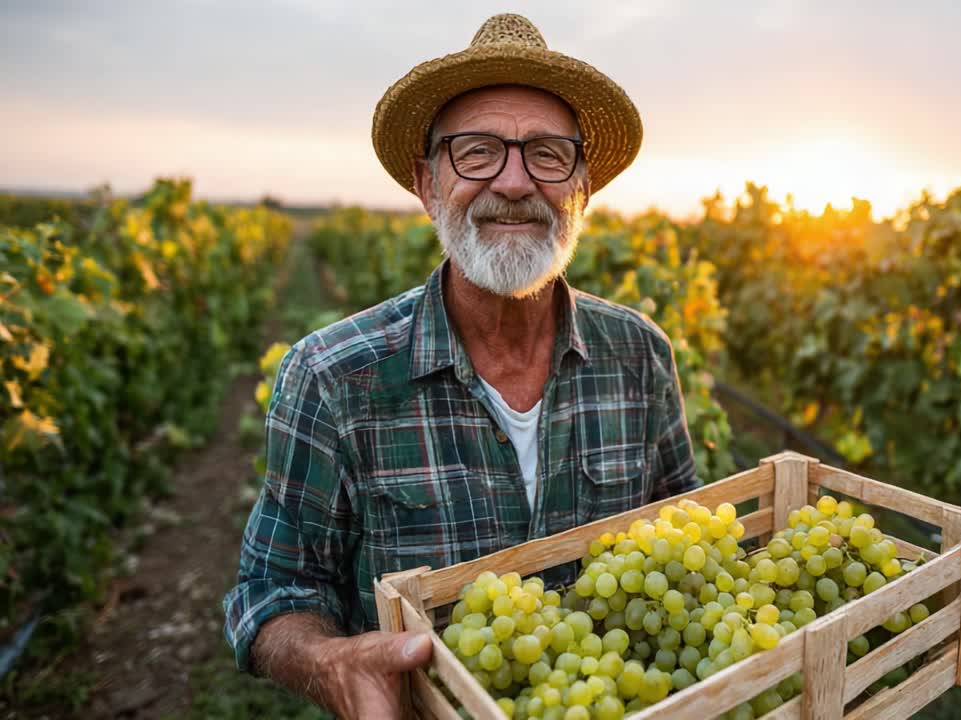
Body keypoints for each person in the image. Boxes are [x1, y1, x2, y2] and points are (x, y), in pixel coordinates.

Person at [222, 13, 699, 718]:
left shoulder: (640, 354)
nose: (513, 181)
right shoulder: (330, 377)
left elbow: (687, 537)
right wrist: (328, 661)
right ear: (427, 182)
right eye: (476, 152)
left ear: (583, 187)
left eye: (546, 153)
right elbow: (272, 588)